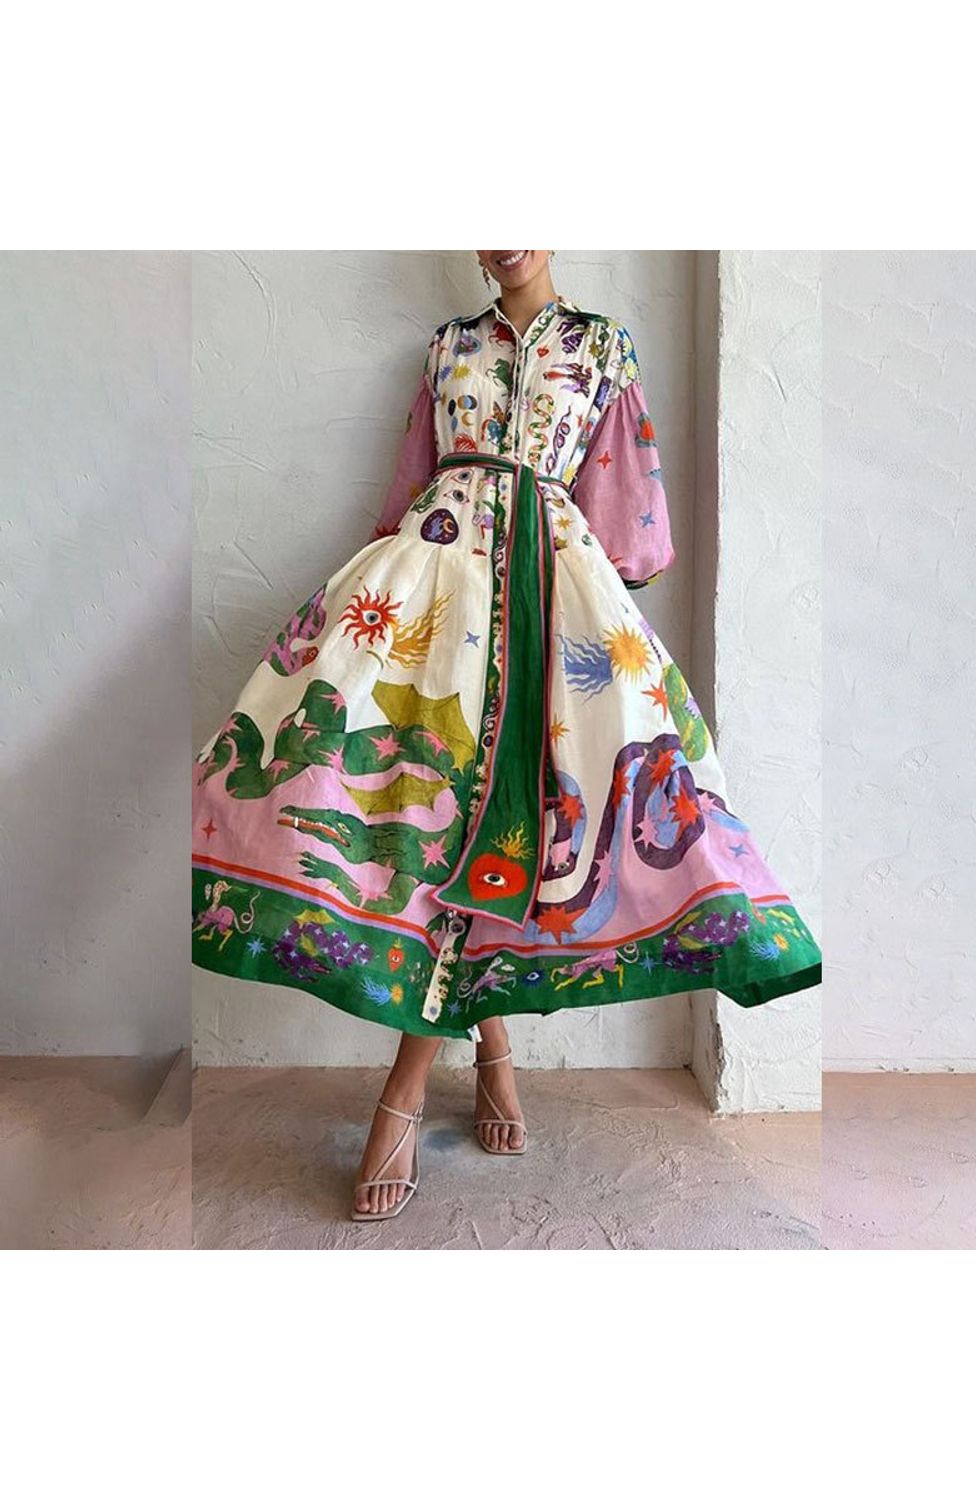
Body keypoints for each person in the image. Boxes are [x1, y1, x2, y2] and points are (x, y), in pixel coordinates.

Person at [192, 249, 822, 1222]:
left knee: (526, 820)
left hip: (550, 600)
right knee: (429, 820)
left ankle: (412, 1086)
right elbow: (408, 489)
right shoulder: (447, 347)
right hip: (437, 591)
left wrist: (580, 602)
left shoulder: (603, 347)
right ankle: (486, 1053)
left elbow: (628, 516)